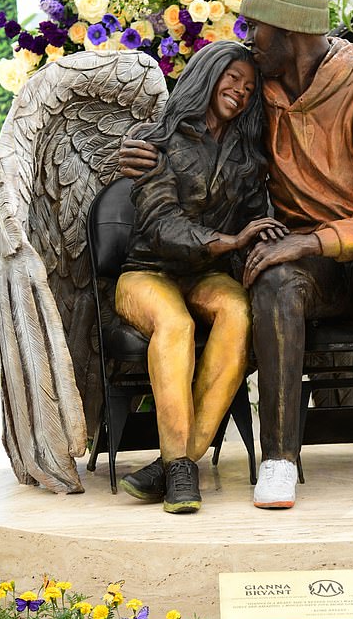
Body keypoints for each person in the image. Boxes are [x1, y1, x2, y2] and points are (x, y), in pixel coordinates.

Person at [120, 0, 353, 515]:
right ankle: (277, 459)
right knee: (275, 279)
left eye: (256, 29)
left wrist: (310, 240)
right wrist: (147, 149)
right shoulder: (262, 97)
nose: (249, 40)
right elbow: (200, 125)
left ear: (289, 31)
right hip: (310, 268)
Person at [116, 40, 286, 514]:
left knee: (238, 310)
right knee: (176, 325)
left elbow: (255, 220)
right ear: (208, 76)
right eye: (232, 78)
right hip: (145, 271)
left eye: (249, 87)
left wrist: (265, 242)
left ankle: (177, 465)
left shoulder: (248, 159)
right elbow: (161, 224)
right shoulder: (159, 140)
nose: (241, 91)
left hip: (205, 274)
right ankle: (180, 469)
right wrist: (229, 241)